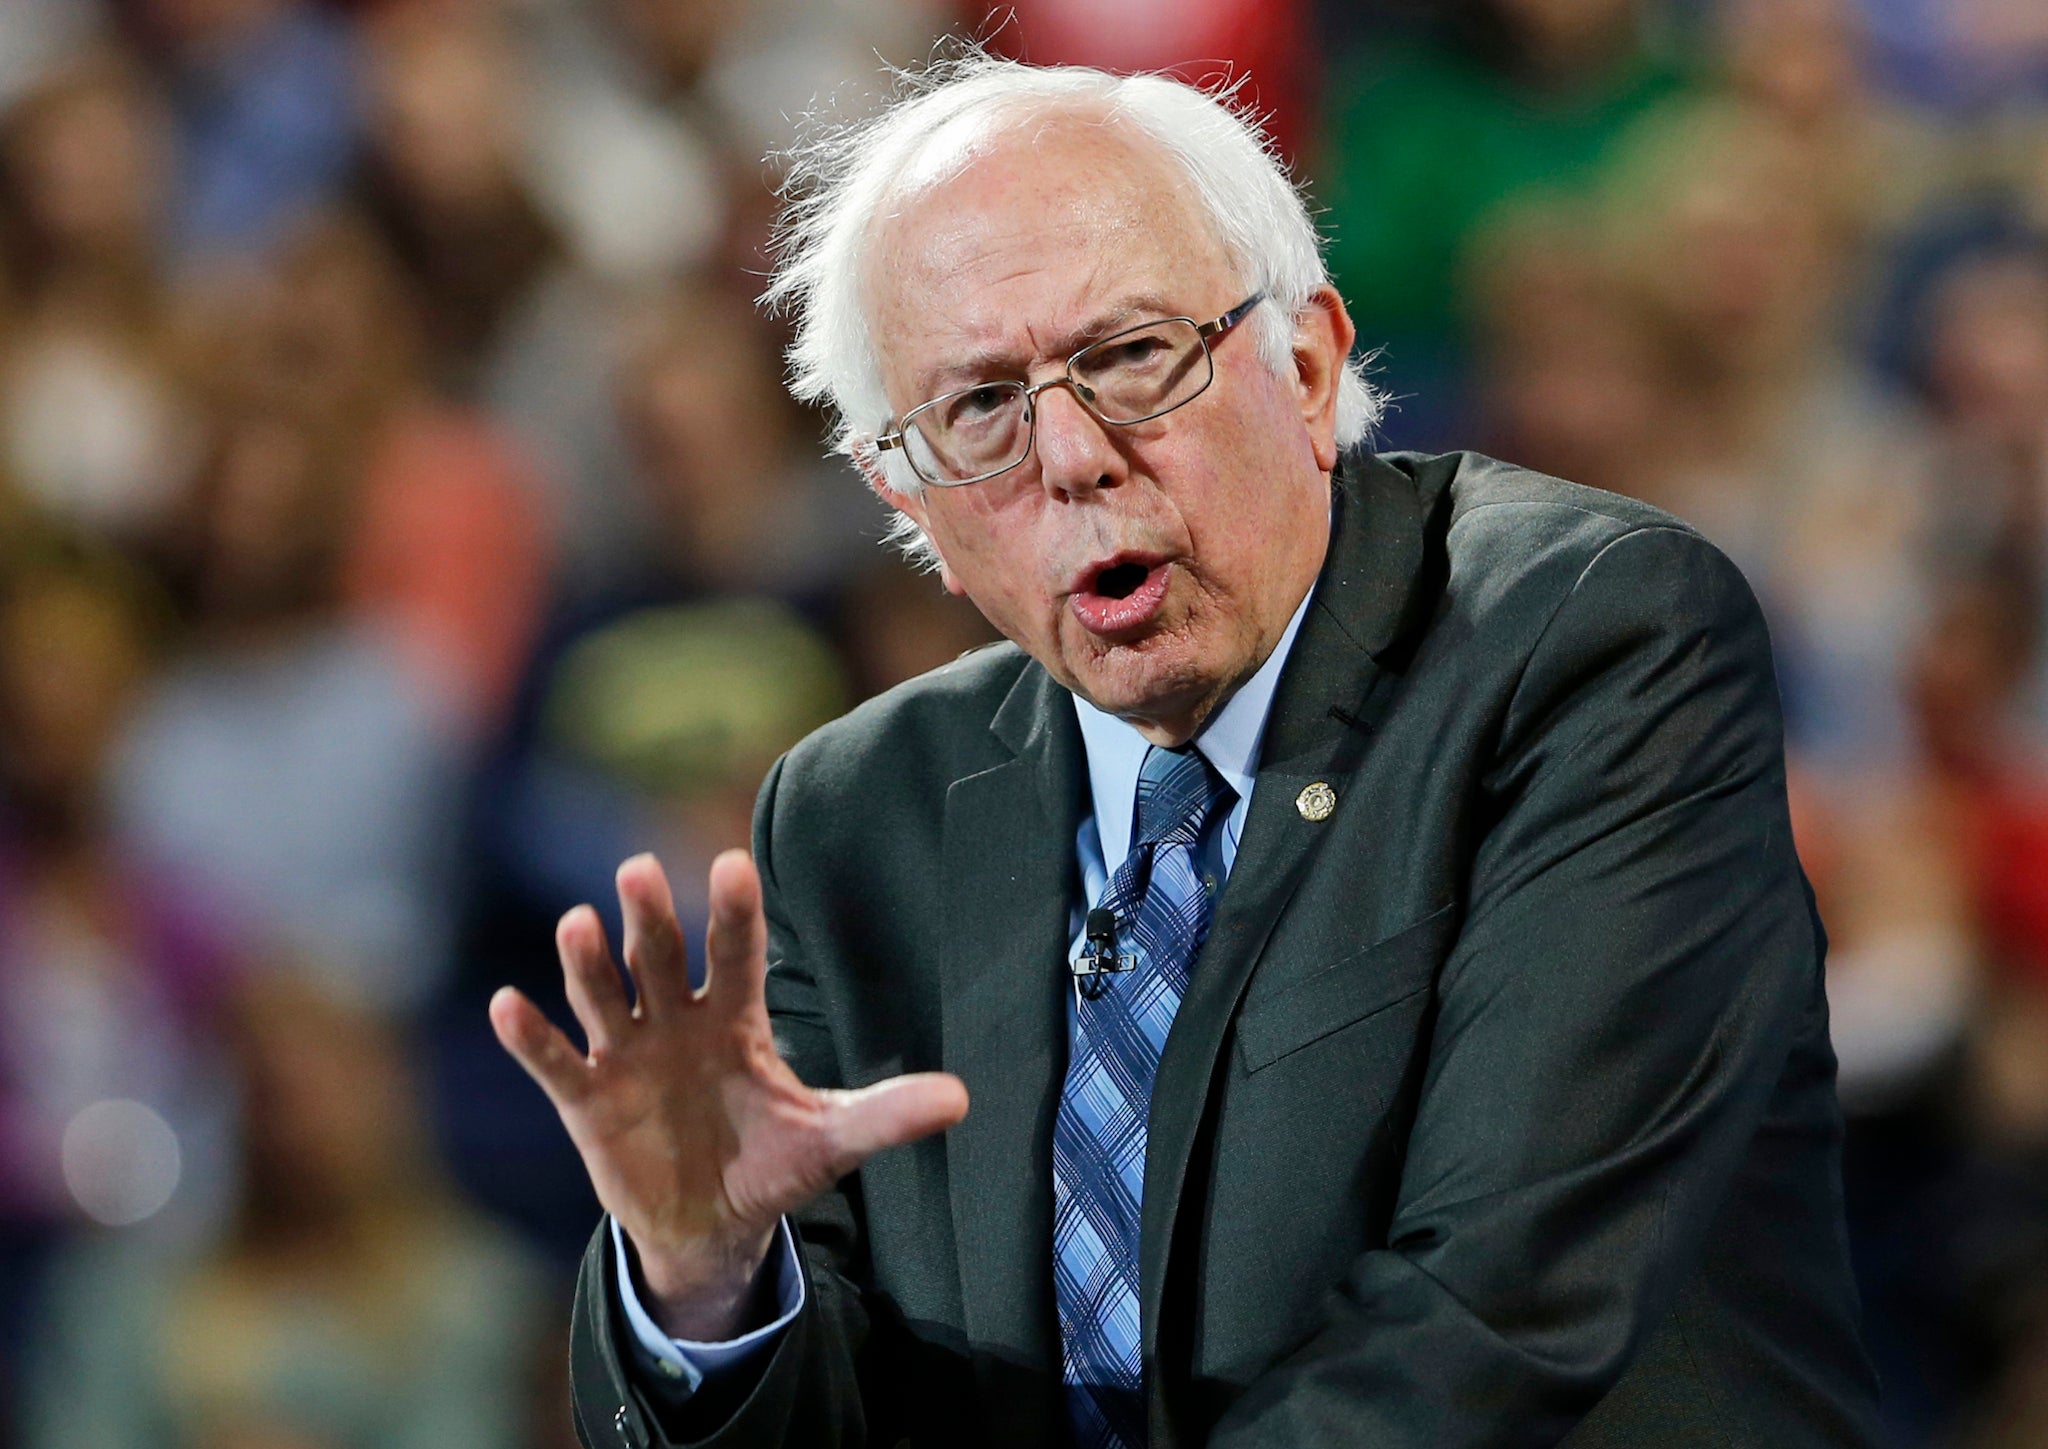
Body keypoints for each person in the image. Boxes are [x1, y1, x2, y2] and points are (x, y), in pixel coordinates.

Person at [489, 53, 1884, 1449]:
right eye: (981, 407)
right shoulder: (863, 814)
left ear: (1309, 358)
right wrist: (706, 1280)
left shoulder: (1587, 645)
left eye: (1131, 356)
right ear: (906, 497)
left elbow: (1495, 1318)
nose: (1072, 455)